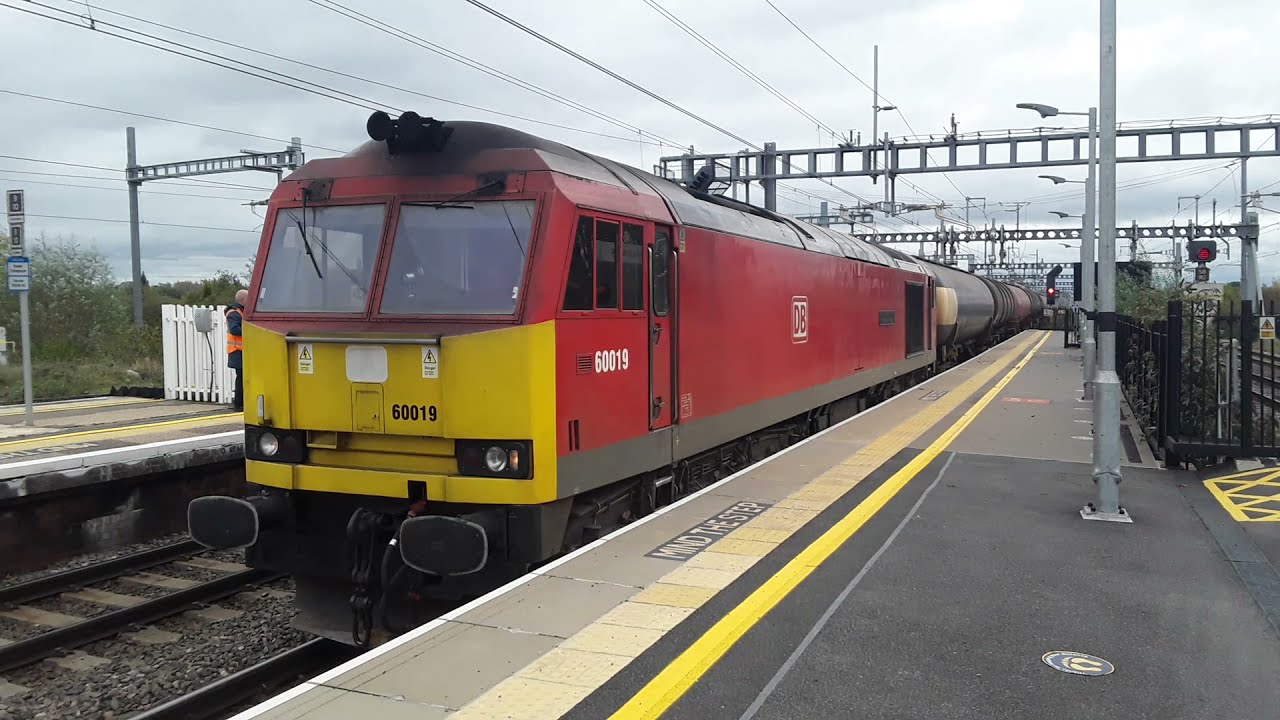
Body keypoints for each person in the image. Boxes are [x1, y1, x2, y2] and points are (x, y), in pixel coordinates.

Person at [225, 289, 248, 412]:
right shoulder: (234, 313)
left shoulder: (240, 311)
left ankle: (242, 404)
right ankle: (238, 405)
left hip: (241, 351)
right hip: (237, 351)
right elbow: (235, 330)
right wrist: (251, 331)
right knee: (241, 378)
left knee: (243, 378)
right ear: (243, 300)